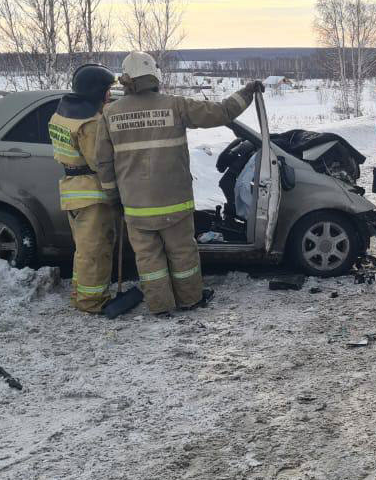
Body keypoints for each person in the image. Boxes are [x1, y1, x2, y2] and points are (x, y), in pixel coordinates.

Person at [95, 51, 263, 314]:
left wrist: (113, 197)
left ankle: (160, 305)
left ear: (127, 80)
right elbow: (221, 112)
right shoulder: (175, 105)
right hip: (174, 203)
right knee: (183, 255)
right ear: (153, 76)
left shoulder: (110, 114)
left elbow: (103, 162)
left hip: (136, 207)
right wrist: (247, 92)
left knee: (149, 259)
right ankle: (190, 299)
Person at [48, 63, 119, 313]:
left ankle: (80, 296)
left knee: (84, 250)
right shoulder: (90, 124)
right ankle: (93, 302)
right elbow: (99, 162)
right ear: (96, 91)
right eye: (107, 91)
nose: (109, 95)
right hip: (92, 195)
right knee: (96, 251)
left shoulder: (64, 113)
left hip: (72, 190)